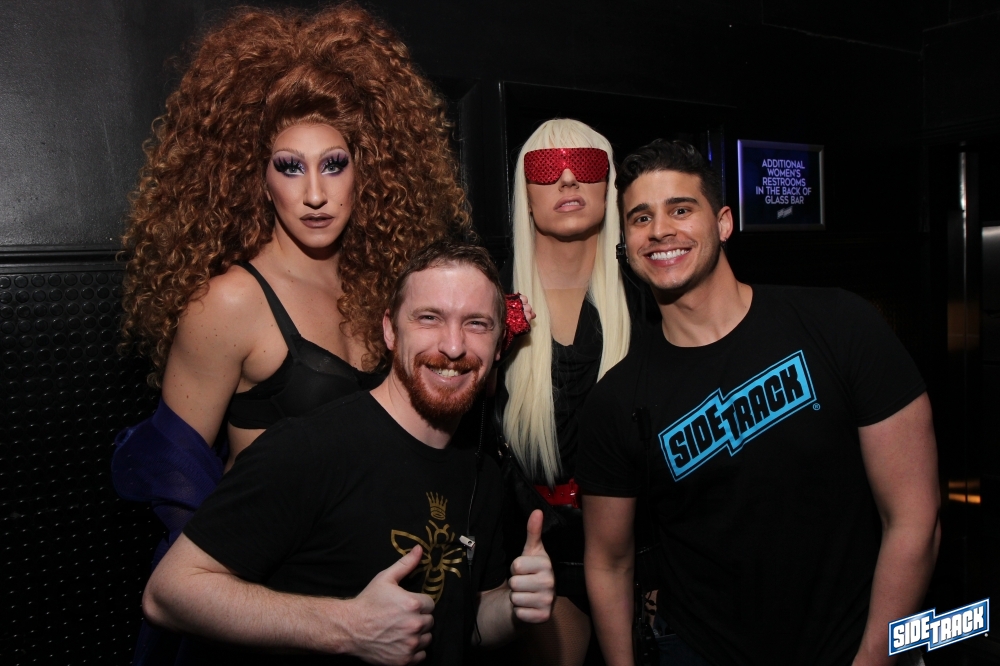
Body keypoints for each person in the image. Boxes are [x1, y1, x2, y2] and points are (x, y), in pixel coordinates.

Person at [111, 5, 469, 662]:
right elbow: (176, 478)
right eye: (289, 166)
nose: (314, 194)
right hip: (277, 612)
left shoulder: (384, 287)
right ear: (256, 175)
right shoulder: (231, 301)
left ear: (367, 169)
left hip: (377, 592)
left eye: (333, 164)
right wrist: (233, 594)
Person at [578, 140, 940, 666]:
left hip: (853, 649)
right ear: (626, 243)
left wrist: (874, 658)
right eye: (641, 218)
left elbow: (914, 517)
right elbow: (609, 563)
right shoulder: (616, 400)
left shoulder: (840, 324)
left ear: (723, 223)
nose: (659, 231)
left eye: (681, 209)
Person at [141, 240, 556, 665]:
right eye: (429, 318)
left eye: (477, 324)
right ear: (390, 330)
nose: (453, 346)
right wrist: (348, 627)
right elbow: (168, 593)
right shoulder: (308, 449)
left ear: (498, 346)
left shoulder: (483, 474)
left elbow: (467, 625)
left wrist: (514, 606)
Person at [495, 119, 638, 666]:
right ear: (525, 193)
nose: (569, 178)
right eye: (546, 168)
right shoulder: (489, 301)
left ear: (609, 185)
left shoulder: (649, 301)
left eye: (585, 164)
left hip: (641, 547)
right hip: (530, 551)